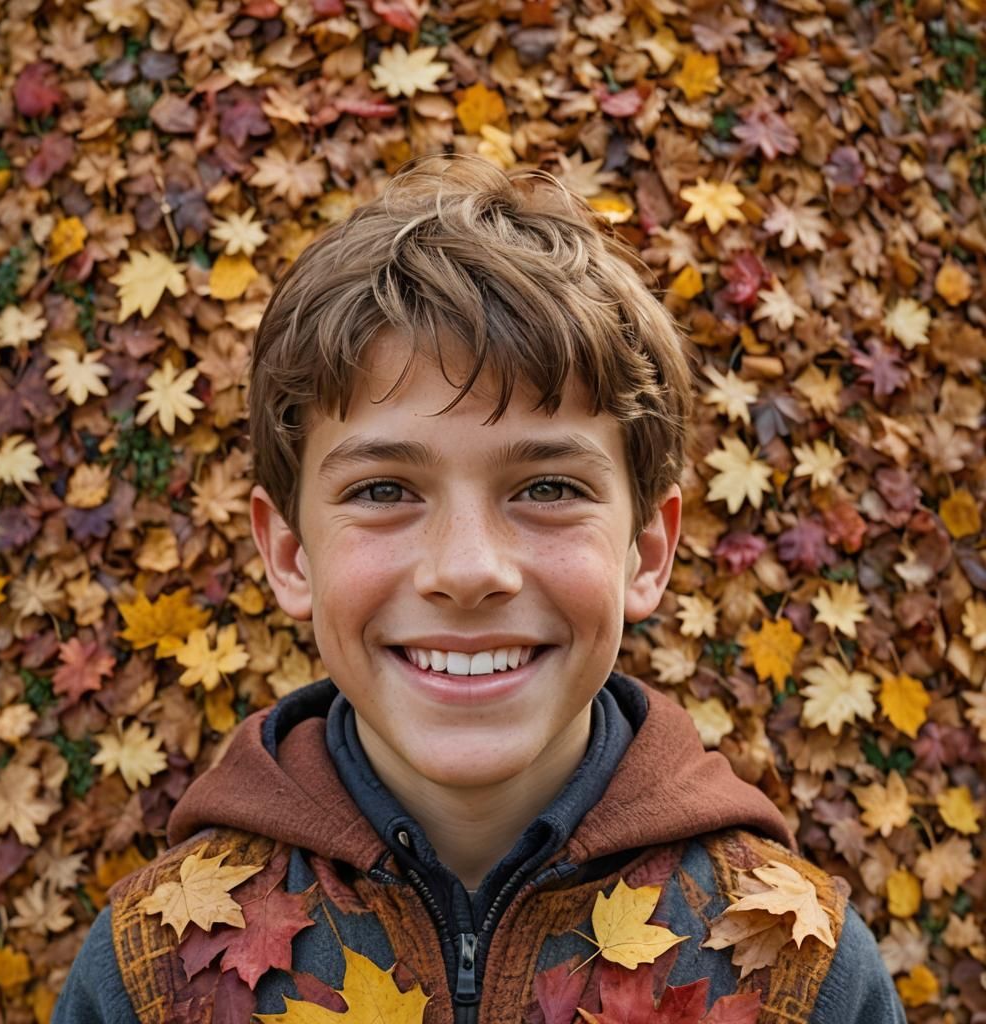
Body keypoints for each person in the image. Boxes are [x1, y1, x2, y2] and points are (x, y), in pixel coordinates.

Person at [52, 153, 905, 1024]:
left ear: (646, 552)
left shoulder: (804, 969)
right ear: (290, 553)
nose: (467, 570)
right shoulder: (151, 969)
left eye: (547, 489)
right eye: (384, 491)